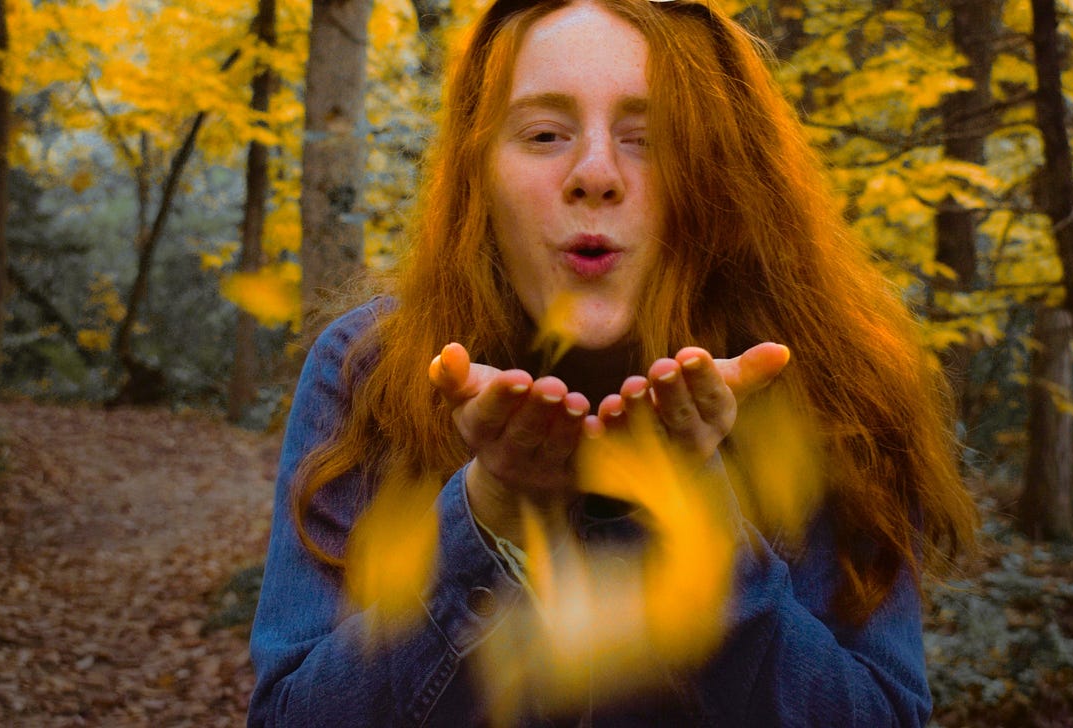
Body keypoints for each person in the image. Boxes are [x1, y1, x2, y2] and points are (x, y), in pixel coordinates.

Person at [248, 0, 979, 724]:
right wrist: (487, 518)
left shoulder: (839, 386)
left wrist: (702, 529)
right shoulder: (368, 370)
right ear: (480, 177)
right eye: (543, 133)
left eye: (649, 138)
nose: (595, 173)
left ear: (724, 176)